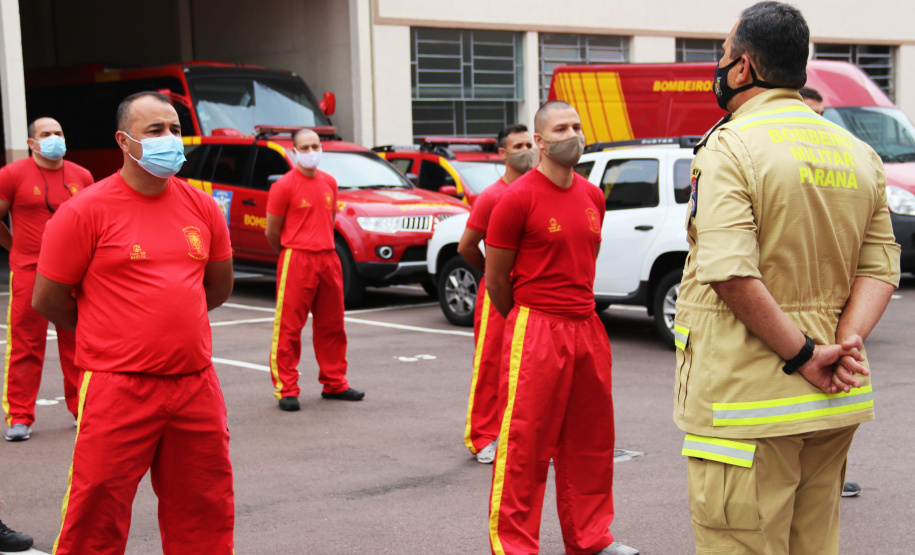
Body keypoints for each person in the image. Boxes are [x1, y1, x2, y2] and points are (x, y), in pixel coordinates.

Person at [675, 3, 900, 554]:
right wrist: (843, 345)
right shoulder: (857, 152)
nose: (719, 66)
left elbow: (728, 272)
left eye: (724, 56)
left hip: (748, 405)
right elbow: (880, 266)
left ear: (745, 67)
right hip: (833, 402)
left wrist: (802, 355)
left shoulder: (731, 145)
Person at [32, 91, 235, 554]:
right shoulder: (84, 210)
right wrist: (115, 329)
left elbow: (217, 288)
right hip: (117, 387)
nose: (170, 140)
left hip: (195, 386)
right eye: (155, 131)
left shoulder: (202, 207)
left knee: (205, 507)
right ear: (124, 141)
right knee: (96, 511)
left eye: (175, 130)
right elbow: (48, 299)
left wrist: (169, 321)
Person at [485, 100, 637, 555]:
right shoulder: (517, 198)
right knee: (525, 442)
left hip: (587, 325)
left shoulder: (593, 195)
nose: (571, 133)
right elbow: (496, 280)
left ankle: (590, 538)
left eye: (575, 125)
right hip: (537, 327)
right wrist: (527, 322)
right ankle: (514, 546)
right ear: (539, 141)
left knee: (591, 440)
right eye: (560, 128)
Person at [0, 117, 93, 441]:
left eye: (58, 133)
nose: (54, 138)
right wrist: (14, 246)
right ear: (32, 142)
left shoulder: (81, 175)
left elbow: (93, 222)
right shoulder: (11, 175)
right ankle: (20, 416)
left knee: (78, 343)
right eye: (46, 134)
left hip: (73, 275)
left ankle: (83, 409)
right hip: (29, 273)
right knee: (26, 344)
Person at [265, 128, 363, 411]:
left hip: (328, 258)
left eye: (315, 146)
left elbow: (329, 219)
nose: (311, 152)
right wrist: (292, 252)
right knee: (289, 328)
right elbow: (273, 232)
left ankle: (334, 383)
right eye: (304, 148)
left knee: (332, 325)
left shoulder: (329, 182)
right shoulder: (283, 186)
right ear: (294, 152)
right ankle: (287, 388)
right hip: (297, 258)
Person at [456, 123, 536, 464]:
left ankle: (519, 434)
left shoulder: (538, 189)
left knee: (526, 366)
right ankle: (482, 436)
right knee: (491, 364)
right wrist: (493, 273)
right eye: (518, 145)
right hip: (498, 291)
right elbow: (466, 247)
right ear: (502, 153)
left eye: (530, 143)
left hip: (532, 292)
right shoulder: (491, 196)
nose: (527, 150)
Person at [798, 85, 863, 500]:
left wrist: (851, 333)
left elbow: (873, 262)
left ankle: (834, 474)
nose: (816, 123)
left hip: (835, 320)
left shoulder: (844, 165)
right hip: (792, 328)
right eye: (809, 113)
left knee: (833, 415)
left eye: (822, 115)